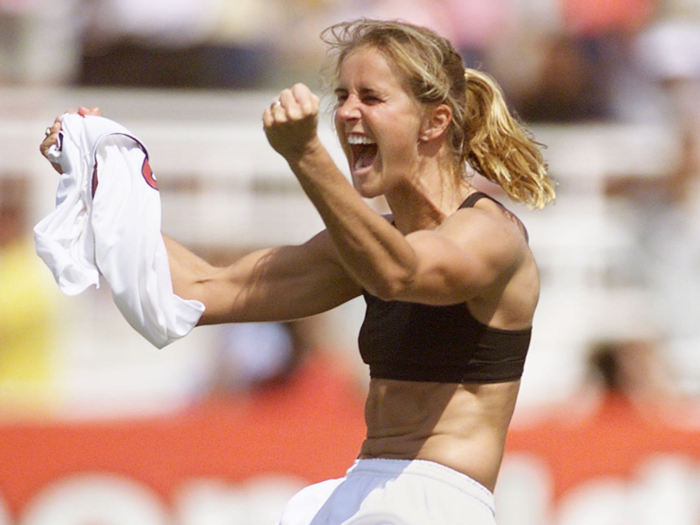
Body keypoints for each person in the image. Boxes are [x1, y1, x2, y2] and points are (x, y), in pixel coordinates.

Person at [41, 18, 555, 525]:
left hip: (435, 504)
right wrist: (103, 183)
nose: (348, 112)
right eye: (343, 96)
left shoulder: (489, 234)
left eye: (371, 98)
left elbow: (401, 275)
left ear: (435, 122)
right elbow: (201, 289)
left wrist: (307, 155)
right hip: (365, 493)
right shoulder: (368, 244)